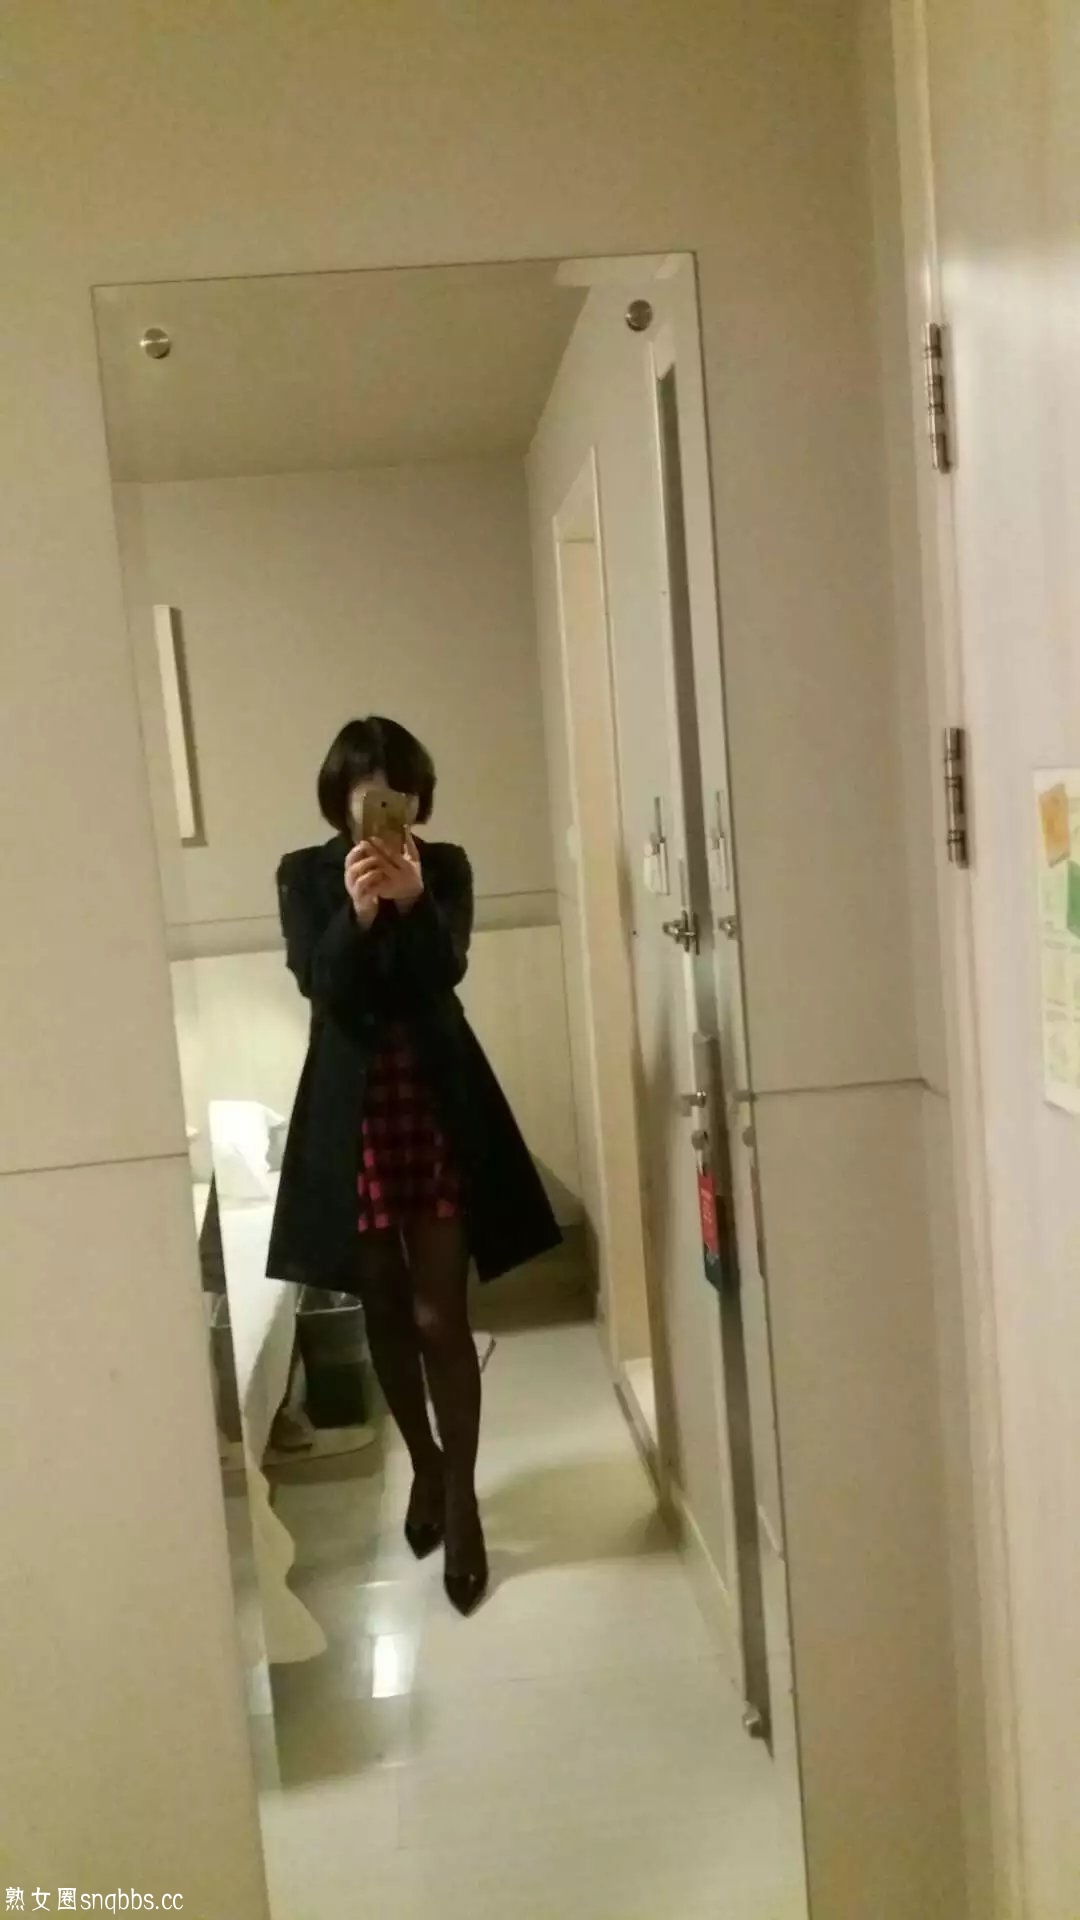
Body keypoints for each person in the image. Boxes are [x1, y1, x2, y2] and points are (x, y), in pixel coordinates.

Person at [268, 717, 561, 1613]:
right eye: (368, 794)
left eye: (397, 792)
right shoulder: (304, 874)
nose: (385, 809)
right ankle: (426, 1468)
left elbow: (444, 972)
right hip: (352, 1110)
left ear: (417, 799)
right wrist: (357, 915)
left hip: (433, 1100)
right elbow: (320, 985)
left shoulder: (448, 868)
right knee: (385, 1310)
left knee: (442, 1313)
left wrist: (413, 901)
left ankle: (461, 1501)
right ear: (342, 802)